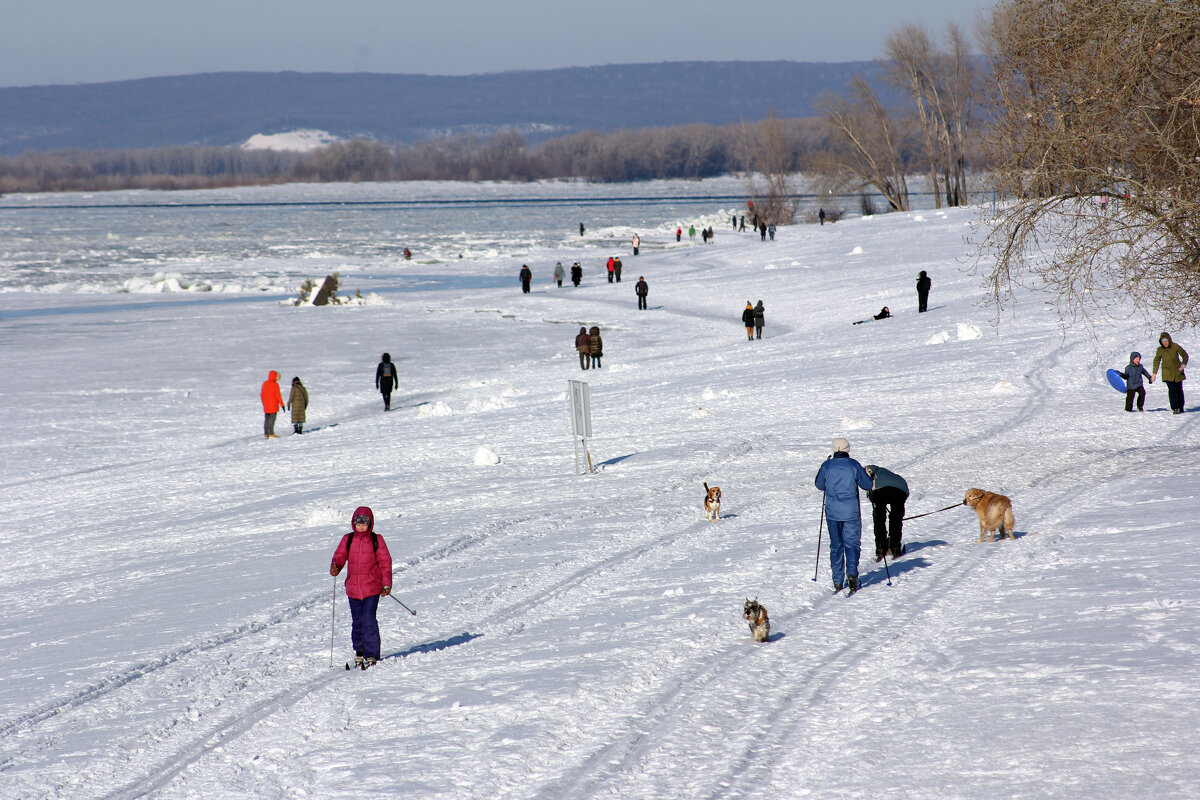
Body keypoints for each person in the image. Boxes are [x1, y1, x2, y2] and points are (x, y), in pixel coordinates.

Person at [330, 506, 393, 669]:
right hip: (353, 589)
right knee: (357, 621)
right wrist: (336, 566)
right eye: (358, 523)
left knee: (369, 620)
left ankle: (371, 653)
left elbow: (385, 563)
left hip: (372, 588)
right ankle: (360, 651)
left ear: (370, 524)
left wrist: (386, 584)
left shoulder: (376, 539)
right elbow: (340, 556)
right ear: (353, 523)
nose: (361, 526)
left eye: (365, 523)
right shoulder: (348, 539)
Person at [814, 438, 873, 593]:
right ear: (847, 450)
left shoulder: (827, 465)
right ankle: (852, 574)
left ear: (834, 450)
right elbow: (867, 485)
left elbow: (819, 485)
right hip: (851, 512)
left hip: (833, 512)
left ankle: (837, 580)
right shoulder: (854, 464)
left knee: (836, 545)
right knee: (852, 544)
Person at [864, 464, 909, 561]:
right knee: (895, 519)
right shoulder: (883, 471)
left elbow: (869, 469)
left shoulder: (869, 472)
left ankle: (881, 549)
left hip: (881, 490)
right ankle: (895, 548)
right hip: (901, 489)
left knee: (879, 518)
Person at [1152, 332, 1189, 414]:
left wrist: (1183, 365)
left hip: (1178, 372)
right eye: (1163, 341)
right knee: (1172, 390)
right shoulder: (1160, 350)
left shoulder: (1175, 346)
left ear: (1169, 340)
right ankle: (1175, 407)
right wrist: (1154, 373)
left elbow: (1185, 355)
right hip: (1167, 373)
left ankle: (1181, 406)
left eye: (1166, 341)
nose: (1165, 343)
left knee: (1179, 389)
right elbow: (1157, 360)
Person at [260, 370, 285, 439]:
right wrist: (282, 404)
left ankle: (266, 433)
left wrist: (264, 403)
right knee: (272, 419)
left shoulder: (265, 383)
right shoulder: (275, 384)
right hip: (273, 405)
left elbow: (262, 394)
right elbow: (278, 396)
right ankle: (271, 433)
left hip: (266, 405)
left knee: (267, 419)